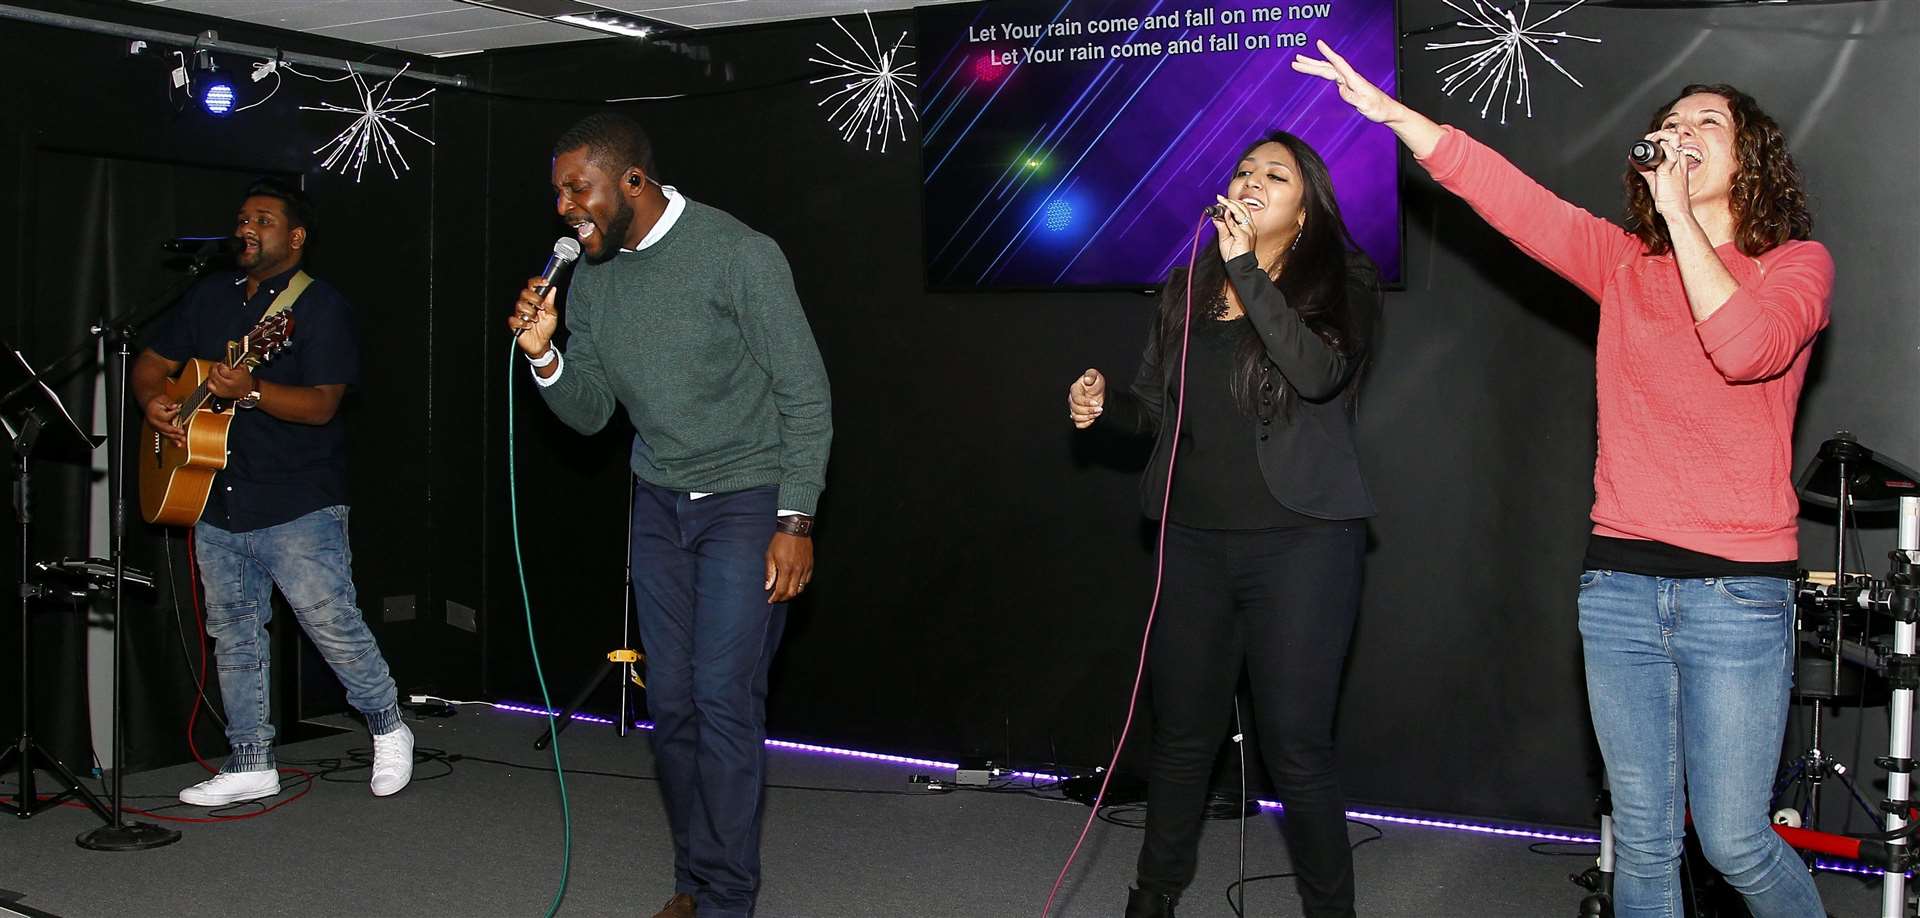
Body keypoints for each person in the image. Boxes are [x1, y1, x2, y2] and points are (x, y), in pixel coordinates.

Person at [1294, 41, 1831, 918]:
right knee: (1646, 841)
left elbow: (1742, 350)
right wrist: (1399, 120)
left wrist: (1684, 224)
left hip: (1736, 595)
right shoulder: (1623, 265)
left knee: (1733, 839)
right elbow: (1510, 198)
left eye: (1708, 124)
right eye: (1669, 123)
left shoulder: (1795, 267)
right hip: (1619, 584)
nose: (1681, 132)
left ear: (1751, 161)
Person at [508, 112, 832, 918]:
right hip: (659, 502)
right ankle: (694, 880)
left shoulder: (738, 255)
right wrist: (546, 355)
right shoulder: (594, 274)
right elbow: (588, 415)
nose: (564, 208)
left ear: (632, 182)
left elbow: (806, 392)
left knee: (723, 697)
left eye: (576, 189)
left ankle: (727, 900)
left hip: (749, 498)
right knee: (675, 702)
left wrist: (795, 521)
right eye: (557, 193)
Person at [1067, 131, 1381, 918]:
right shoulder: (1184, 288)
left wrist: (1245, 267)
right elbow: (1159, 413)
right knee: (1181, 738)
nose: (1250, 181)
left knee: (1296, 748)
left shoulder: (1345, 278)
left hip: (1303, 544)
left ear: (1305, 210)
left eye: (1274, 175)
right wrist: (1107, 410)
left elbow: (1316, 373)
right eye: (1243, 170)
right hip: (1195, 542)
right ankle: (1153, 899)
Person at [134, 179, 413, 806]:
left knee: (331, 623)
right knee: (233, 631)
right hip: (214, 493)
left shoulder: (320, 309)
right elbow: (152, 363)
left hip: (298, 499)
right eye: (242, 218)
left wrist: (252, 391)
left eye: (263, 218)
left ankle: (388, 725)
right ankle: (252, 759)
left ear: (295, 236)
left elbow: (322, 406)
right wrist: (155, 400)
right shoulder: (209, 296)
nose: (247, 227)